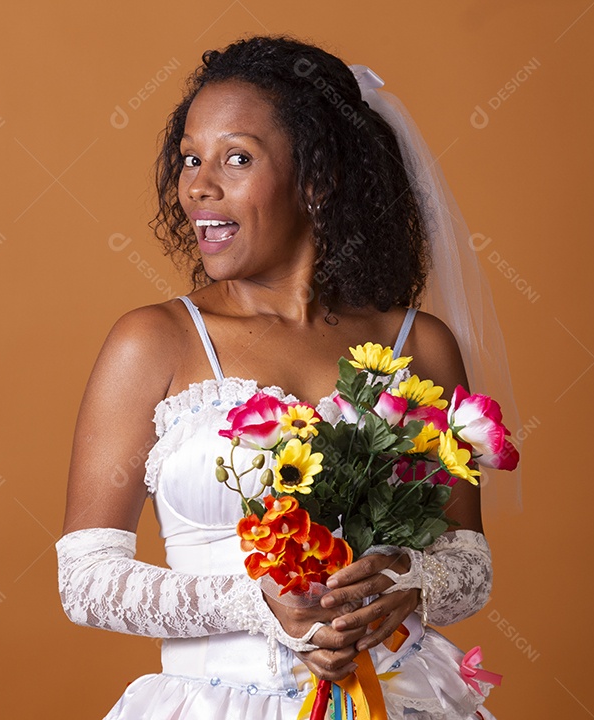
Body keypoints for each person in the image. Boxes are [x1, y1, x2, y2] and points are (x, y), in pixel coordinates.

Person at [56, 34, 511, 719]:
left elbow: (469, 566)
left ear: (318, 177)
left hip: (400, 699)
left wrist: (408, 580)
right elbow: (86, 581)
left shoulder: (418, 344)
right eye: (189, 159)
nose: (199, 185)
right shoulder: (153, 343)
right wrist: (259, 606)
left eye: (236, 158)